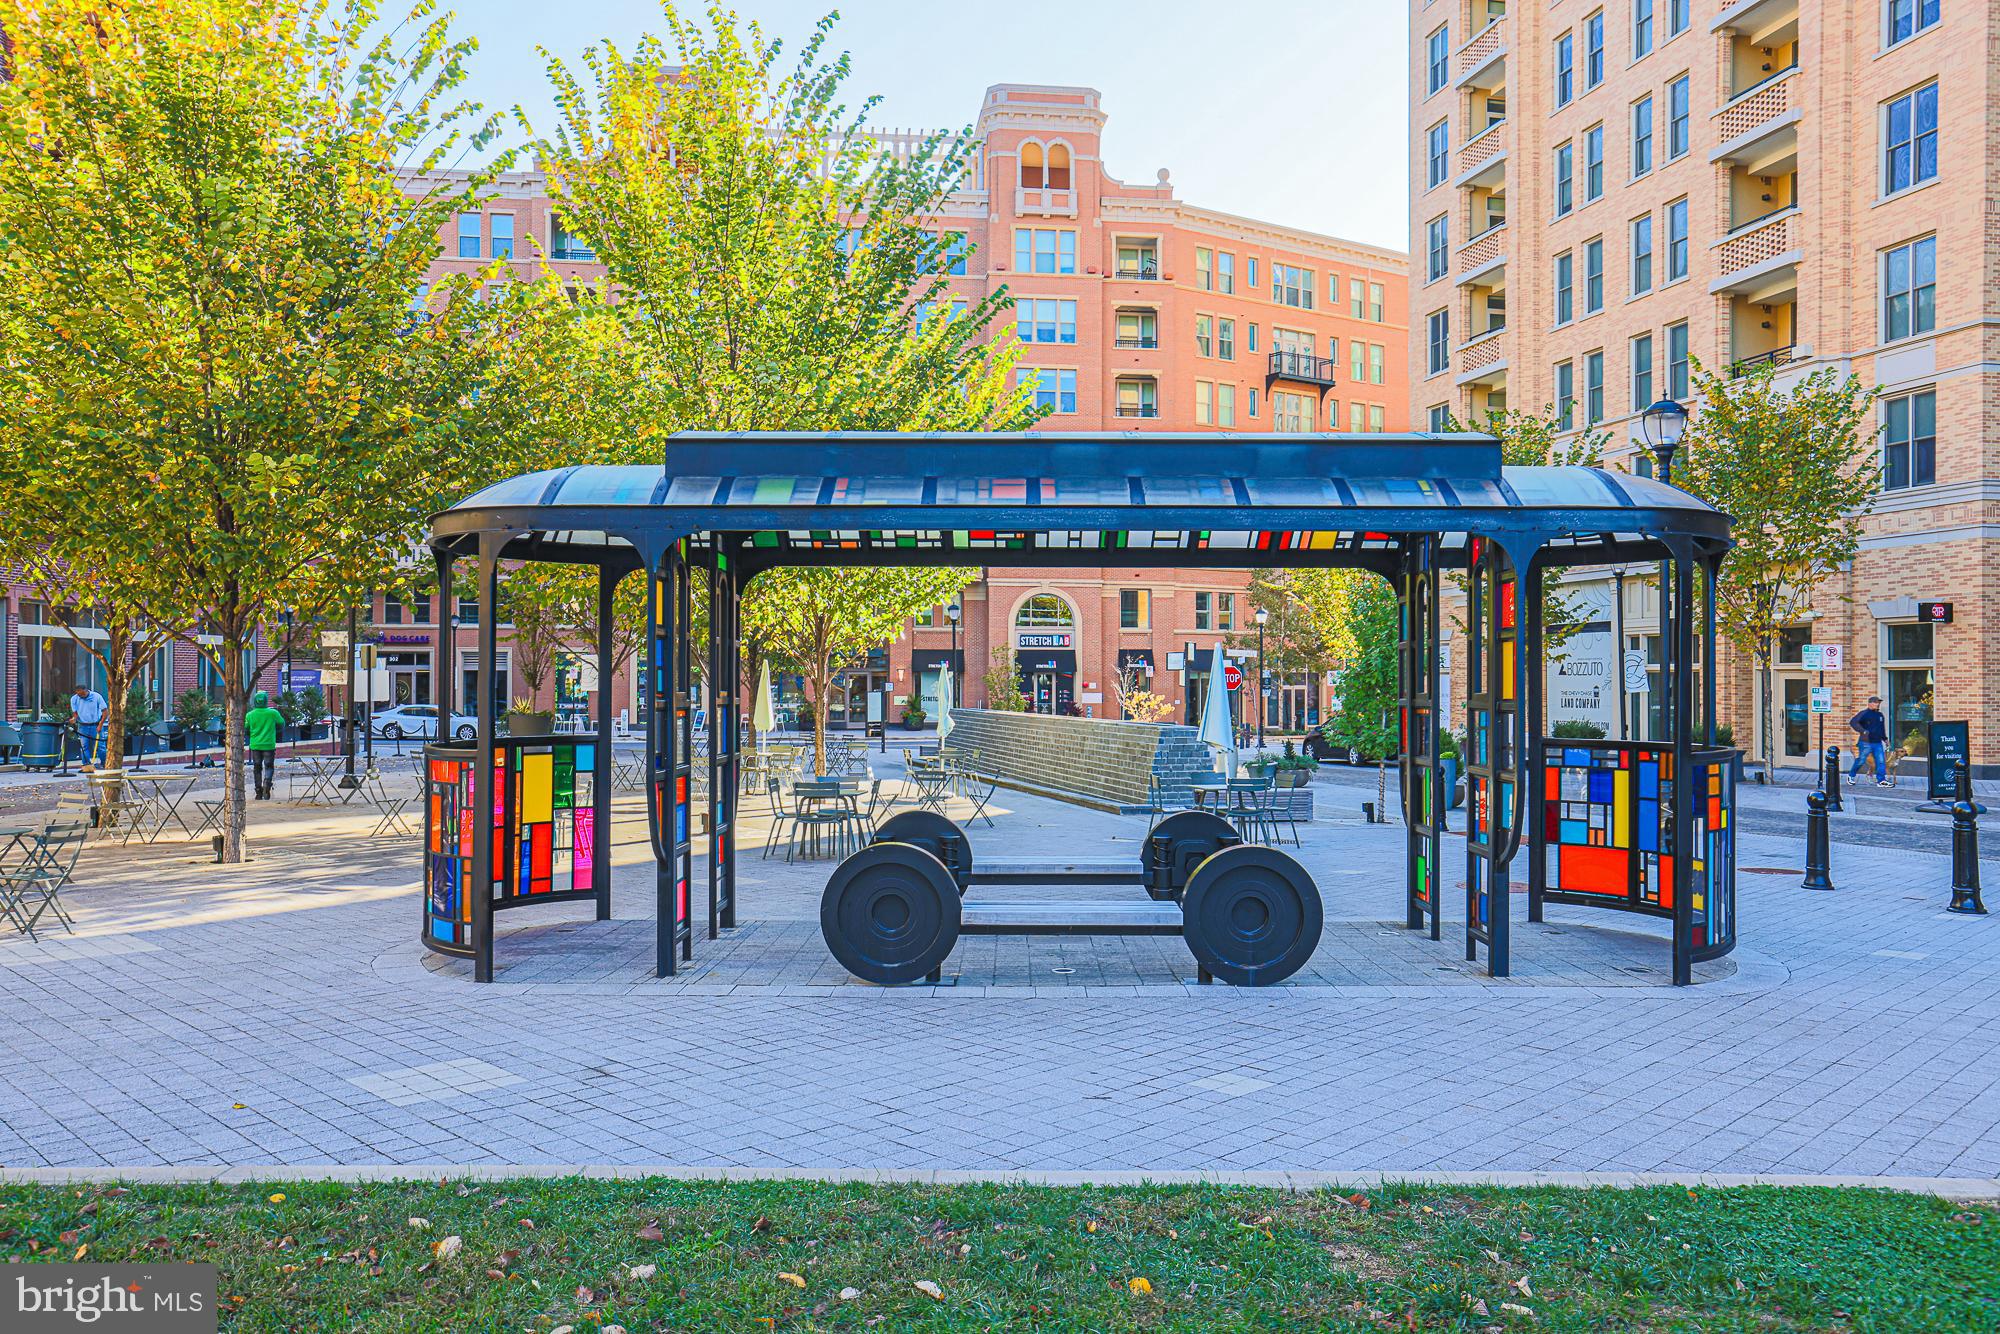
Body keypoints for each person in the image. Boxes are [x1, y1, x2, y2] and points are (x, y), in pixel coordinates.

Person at [245, 689, 284, 800]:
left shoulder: (250, 715)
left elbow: (246, 729)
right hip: (269, 744)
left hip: (255, 744)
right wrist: (274, 731)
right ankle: (267, 783)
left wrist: (252, 735)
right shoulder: (273, 713)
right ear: (266, 701)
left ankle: (258, 791)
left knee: (257, 768)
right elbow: (281, 724)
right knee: (269, 766)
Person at [1848, 694, 1891, 787]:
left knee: (1881, 762)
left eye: (1878, 702)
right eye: (1875, 702)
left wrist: (1885, 739)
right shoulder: (1864, 713)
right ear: (1869, 703)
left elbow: (1881, 729)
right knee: (1861, 761)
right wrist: (1863, 731)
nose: (1877, 704)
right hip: (1865, 743)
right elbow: (1853, 722)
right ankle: (1851, 776)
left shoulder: (1880, 715)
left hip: (1877, 743)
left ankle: (1881, 781)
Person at [68, 682, 108, 766]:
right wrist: (74, 719)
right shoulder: (74, 699)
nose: (81, 696)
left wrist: (100, 725)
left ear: (86, 690)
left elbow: (105, 712)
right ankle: (86, 765)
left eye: (82, 694)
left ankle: (104, 764)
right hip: (83, 726)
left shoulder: (96, 696)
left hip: (96, 725)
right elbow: (75, 713)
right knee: (84, 747)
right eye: (79, 694)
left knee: (100, 746)